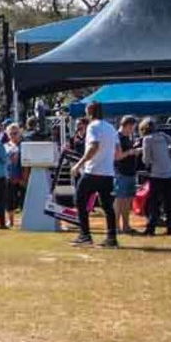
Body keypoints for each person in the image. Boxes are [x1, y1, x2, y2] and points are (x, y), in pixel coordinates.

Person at [71, 100, 119, 248]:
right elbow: (117, 152)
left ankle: (85, 235)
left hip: (93, 171)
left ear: (90, 112)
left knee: (80, 200)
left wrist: (79, 164)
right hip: (108, 172)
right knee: (107, 206)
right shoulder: (111, 128)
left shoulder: (92, 126)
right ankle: (112, 238)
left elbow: (94, 146)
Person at [139, 118, 171, 236]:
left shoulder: (147, 139)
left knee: (154, 203)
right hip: (170, 173)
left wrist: (146, 162)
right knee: (169, 202)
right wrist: (167, 145)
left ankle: (151, 228)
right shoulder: (162, 136)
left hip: (156, 174)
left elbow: (146, 159)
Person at [113, 115, 142, 236]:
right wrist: (131, 152)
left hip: (129, 172)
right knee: (119, 201)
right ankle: (116, 227)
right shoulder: (117, 137)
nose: (132, 130)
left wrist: (134, 150)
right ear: (126, 125)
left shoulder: (126, 137)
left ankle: (126, 226)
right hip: (121, 173)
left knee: (127, 201)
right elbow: (117, 156)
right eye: (132, 128)